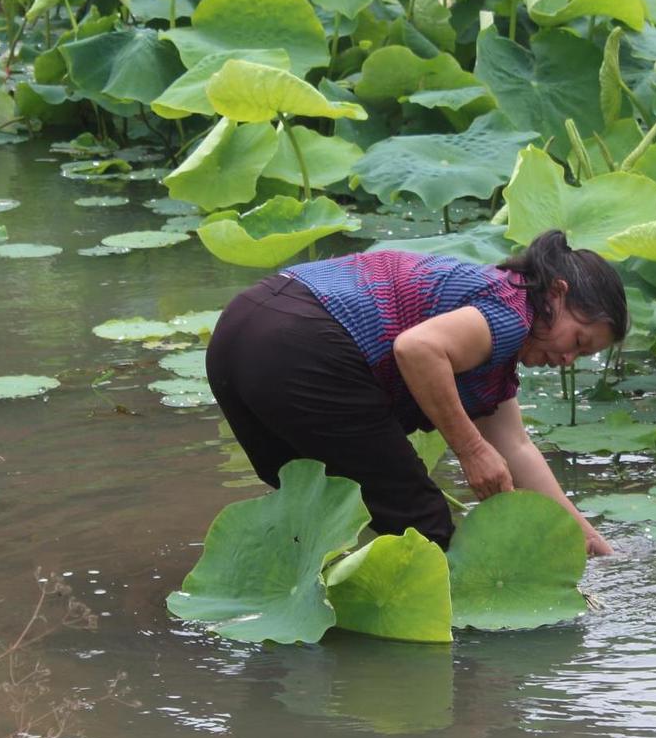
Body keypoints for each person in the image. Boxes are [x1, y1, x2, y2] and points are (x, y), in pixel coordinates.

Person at [205, 231, 627, 557]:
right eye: (579, 341)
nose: (569, 359)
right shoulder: (512, 313)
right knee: (424, 524)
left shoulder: (492, 311)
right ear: (557, 293)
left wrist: (586, 538)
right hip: (303, 342)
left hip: (238, 330)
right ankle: (468, 656)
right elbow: (418, 348)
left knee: (313, 505)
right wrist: (471, 450)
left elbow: (516, 448)